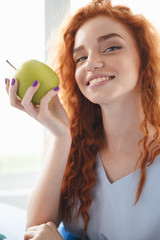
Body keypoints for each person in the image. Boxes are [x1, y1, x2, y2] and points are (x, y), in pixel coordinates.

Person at [5, 0, 160, 239]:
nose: (92, 64)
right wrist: (60, 137)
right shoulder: (77, 148)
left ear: (144, 57)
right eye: (80, 58)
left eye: (110, 48)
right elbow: (34, 231)